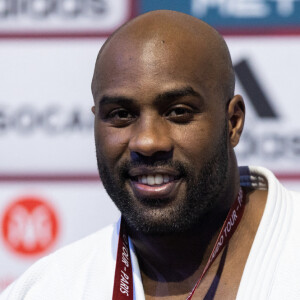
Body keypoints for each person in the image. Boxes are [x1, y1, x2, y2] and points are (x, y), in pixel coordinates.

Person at [1, 10, 300, 300]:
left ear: (233, 122)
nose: (147, 142)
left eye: (178, 112)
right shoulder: (47, 290)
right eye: (120, 114)